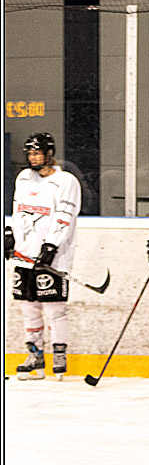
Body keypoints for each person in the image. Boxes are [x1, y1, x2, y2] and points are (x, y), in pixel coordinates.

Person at [6, 133, 82, 380]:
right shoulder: (25, 177)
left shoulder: (66, 181)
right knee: (29, 308)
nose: (33, 158)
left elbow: (65, 216)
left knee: (54, 309)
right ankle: (35, 356)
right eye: (30, 154)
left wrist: (51, 246)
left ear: (49, 153)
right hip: (24, 255)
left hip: (53, 257)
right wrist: (10, 235)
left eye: (37, 153)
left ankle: (59, 354)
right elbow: (19, 212)